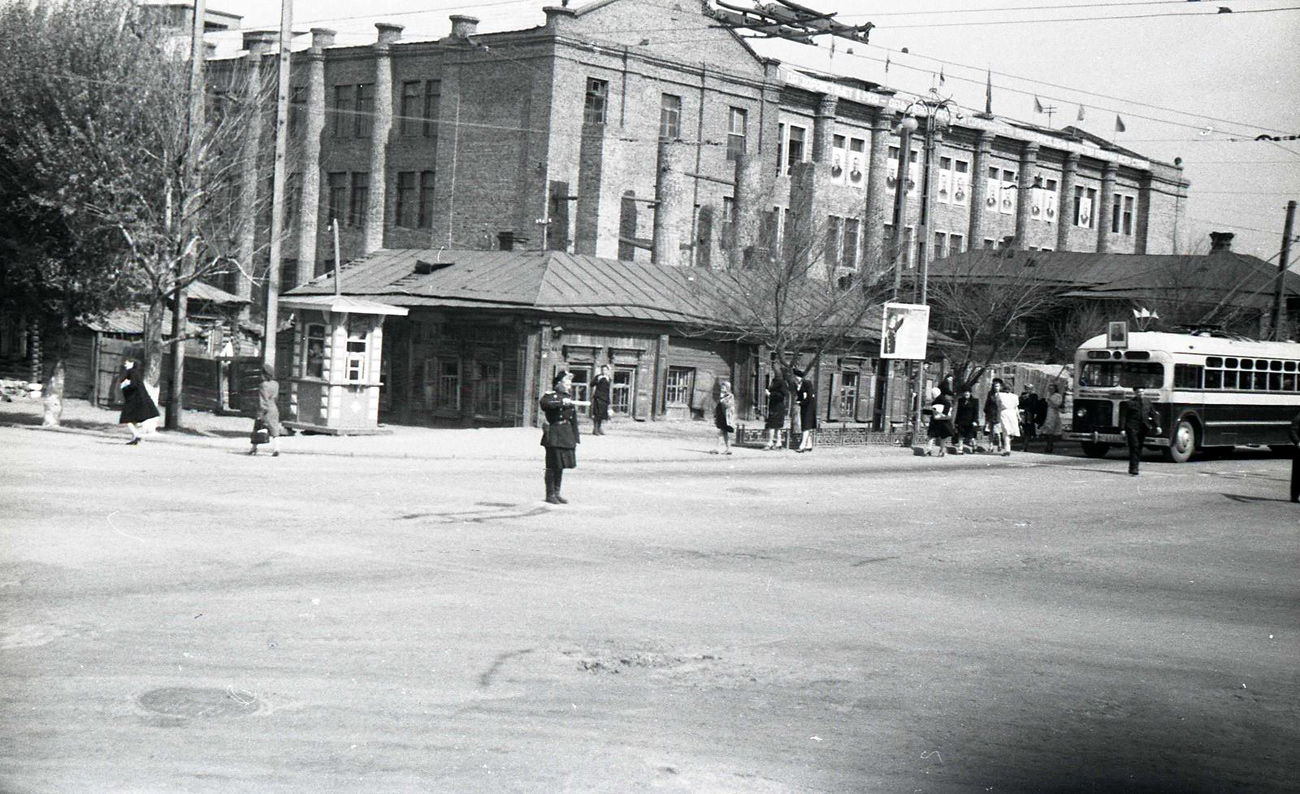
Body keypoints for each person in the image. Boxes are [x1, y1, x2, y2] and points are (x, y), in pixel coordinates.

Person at [540, 371, 589, 504]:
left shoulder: (569, 397)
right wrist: (562, 402)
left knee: (560, 465)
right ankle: (550, 494)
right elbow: (545, 404)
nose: (569, 385)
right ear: (558, 384)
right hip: (554, 433)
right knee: (552, 465)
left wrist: (575, 437)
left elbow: (573, 420)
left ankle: (557, 492)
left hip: (566, 434)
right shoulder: (550, 395)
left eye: (570, 382)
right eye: (567, 382)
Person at [1118, 385, 1160, 476]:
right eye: (1138, 392)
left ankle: (1135, 466)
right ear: (1135, 393)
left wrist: (1157, 426)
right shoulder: (1129, 403)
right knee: (1134, 446)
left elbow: (1153, 414)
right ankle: (1133, 468)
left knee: (1139, 447)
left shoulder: (1148, 402)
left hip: (1143, 428)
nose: (1140, 393)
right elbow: (1123, 417)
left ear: (1144, 392)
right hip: (1131, 427)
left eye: (1142, 392)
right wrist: (1122, 429)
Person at [117, 357, 159, 445]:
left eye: (127, 362)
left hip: (134, 400)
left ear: (132, 364)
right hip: (138, 399)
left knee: (126, 418)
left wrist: (125, 386)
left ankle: (137, 435)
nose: (125, 364)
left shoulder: (132, 372)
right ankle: (135, 437)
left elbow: (133, 385)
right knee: (133, 420)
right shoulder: (135, 372)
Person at [248, 363, 281, 457]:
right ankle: (277, 447)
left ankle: (253, 448)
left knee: (257, 428)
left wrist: (261, 413)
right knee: (274, 429)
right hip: (274, 408)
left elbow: (263, 400)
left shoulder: (263, 385)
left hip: (265, 409)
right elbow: (275, 397)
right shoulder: (276, 384)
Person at [926, 386, 954, 457]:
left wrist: (943, 414)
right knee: (942, 436)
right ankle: (941, 451)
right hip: (941, 420)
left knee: (931, 435)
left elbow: (947, 404)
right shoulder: (939, 398)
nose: (932, 395)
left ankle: (930, 450)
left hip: (939, 420)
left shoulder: (939, 399)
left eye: (932, 394)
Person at [764, 374, 788, 450]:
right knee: (776, 425)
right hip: (774, 406)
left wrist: (770, 394)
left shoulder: (781, 383)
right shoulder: (776, 382)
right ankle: (778, 442)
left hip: (777, 407)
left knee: (773, 425)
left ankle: (771, 442)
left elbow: (781, 396)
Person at [954, 386, 981, 455]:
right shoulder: (960, 400)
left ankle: (974, 446)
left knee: (971, 436)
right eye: (964, 393)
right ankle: (960, 449)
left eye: (967, 393)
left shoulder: (975, 401)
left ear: (970, 393)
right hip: (961, 420)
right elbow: (958, 411)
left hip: (971, 421)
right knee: (960, 435)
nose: (966, 394)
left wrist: (975, 421)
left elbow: (976, 412)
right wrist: (956, 422)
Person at [795, 370, 817, 453]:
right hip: (805, 408)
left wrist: (801, 402)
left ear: (798, 377)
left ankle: (802, 446)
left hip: (809, 408)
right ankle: (809, 445)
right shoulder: (800, 385)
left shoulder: (807, 383)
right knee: (806, 426)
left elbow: (810, 396)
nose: (795, 379)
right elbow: (801, 396)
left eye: (795, 377)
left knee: (806, 426)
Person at [712, 381, 736, 455]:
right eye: (722, 387)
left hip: (726, 417)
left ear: (728, 388)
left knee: (720, 433)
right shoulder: (722, 395)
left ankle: (717, 449)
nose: (722, 388)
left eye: (724, 387)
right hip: (721, 416)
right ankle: (728, 449)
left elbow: (728, 405)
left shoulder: (729, 395)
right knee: (725, 433)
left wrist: (722, 400)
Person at [1040, 382, 1065, 454]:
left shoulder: (1057, 396)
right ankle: (1048, 444)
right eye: (1049, 388)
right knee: (1047, 430)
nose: (1050, 389)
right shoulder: (1049, 395)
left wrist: (1051, 400)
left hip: (1053, 413)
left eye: (1052, 388)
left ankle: (1050, 445)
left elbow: (1057, 404)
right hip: (1048, 412)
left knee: (1051, 429)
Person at [590, 364, 611, 435]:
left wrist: (608, 400)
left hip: (605, 398)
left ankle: (599, 428)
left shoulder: (608, 378)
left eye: (605, 370)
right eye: (602, 370)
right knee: (597, 413)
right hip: (598, 398)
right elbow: (591, 384)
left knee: (603, 414)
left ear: (608, 370)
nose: (603, 371)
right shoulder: (598, 377)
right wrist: (597, 380)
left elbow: (608, 390)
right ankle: (595, 429)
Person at [1019, 385, 1040, 451]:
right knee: (1022, 429)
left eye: (1029, 388)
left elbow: (1034, 406)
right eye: (1026, 388)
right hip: (1022, 414)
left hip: (1029, 415)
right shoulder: (1023, 395)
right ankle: (1024, 444)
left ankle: (1025, 446)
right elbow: (1020, 403)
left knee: (1027, 430)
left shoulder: (1034, 396)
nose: (1027, 389)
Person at [1290, 410, 1300, 503]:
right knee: (1297, 473)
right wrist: (1298, 442)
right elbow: (1292, 430)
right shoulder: (1298, 417)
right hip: (1299, 449)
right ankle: (1294, 496)